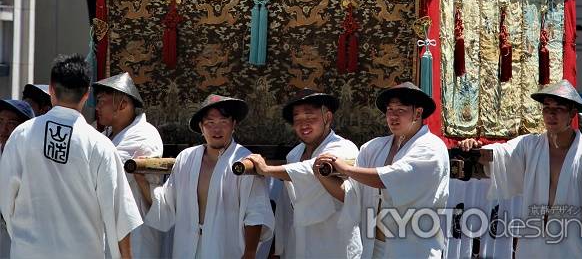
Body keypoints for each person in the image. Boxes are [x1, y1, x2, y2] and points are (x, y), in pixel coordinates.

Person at [0, 53, 142, 259]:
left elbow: (5, 199)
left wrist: (23, 237)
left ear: (50, 89)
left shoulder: (21, 136)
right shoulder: (99, 145)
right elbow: (119, 214)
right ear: (86, 95)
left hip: (29, 251)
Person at [459, 79, 582, 258]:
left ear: (572, 113)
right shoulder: (530, 146)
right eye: (547, 108)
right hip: (533, 250)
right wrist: (474, 149)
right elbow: (499, 154)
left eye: (558, 108)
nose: (551, 114)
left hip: (573, 251)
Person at [316, 81, 449, 258]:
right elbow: (352, 194)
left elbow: (391, 178)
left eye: (400, 110)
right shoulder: (372, 148)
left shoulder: (431, 147)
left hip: (414, 249)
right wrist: (321, 175)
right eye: (389, 110)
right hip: (374, 246)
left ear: (418, 113)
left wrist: (346, 169)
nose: (393, 116)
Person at [136, 93, 274, 259]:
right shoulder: (186, 158)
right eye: (210, 123)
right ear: (201, 127)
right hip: (187, 246)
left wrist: (250, 253)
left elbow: (256, 212)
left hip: (226, 248)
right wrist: (141, 180)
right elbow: (167, 203)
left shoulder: (245, 162)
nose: (217, 129)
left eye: (223, 122)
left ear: (233, 124)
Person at [246, 88, 362, 258]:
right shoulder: (293, 154)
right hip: (299, 241)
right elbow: (286, 206)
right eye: (297, 119)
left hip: (335, 241)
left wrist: (267, 170)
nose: (303, 124)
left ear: (327, 117)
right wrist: (279, 248)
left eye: (310, 117)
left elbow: (310, 169)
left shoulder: (343, 147)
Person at [93, 72, 164, 258]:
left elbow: (102, 168)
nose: (97, 107)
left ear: (122, 104)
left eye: (102, 101)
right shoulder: (106, 134)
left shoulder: (143, 135)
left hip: (136, 234)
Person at [0, 99, 35, 257]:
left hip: (22, 242)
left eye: (11, 123)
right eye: (0, 121)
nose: (4, 129)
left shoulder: (33, 161)